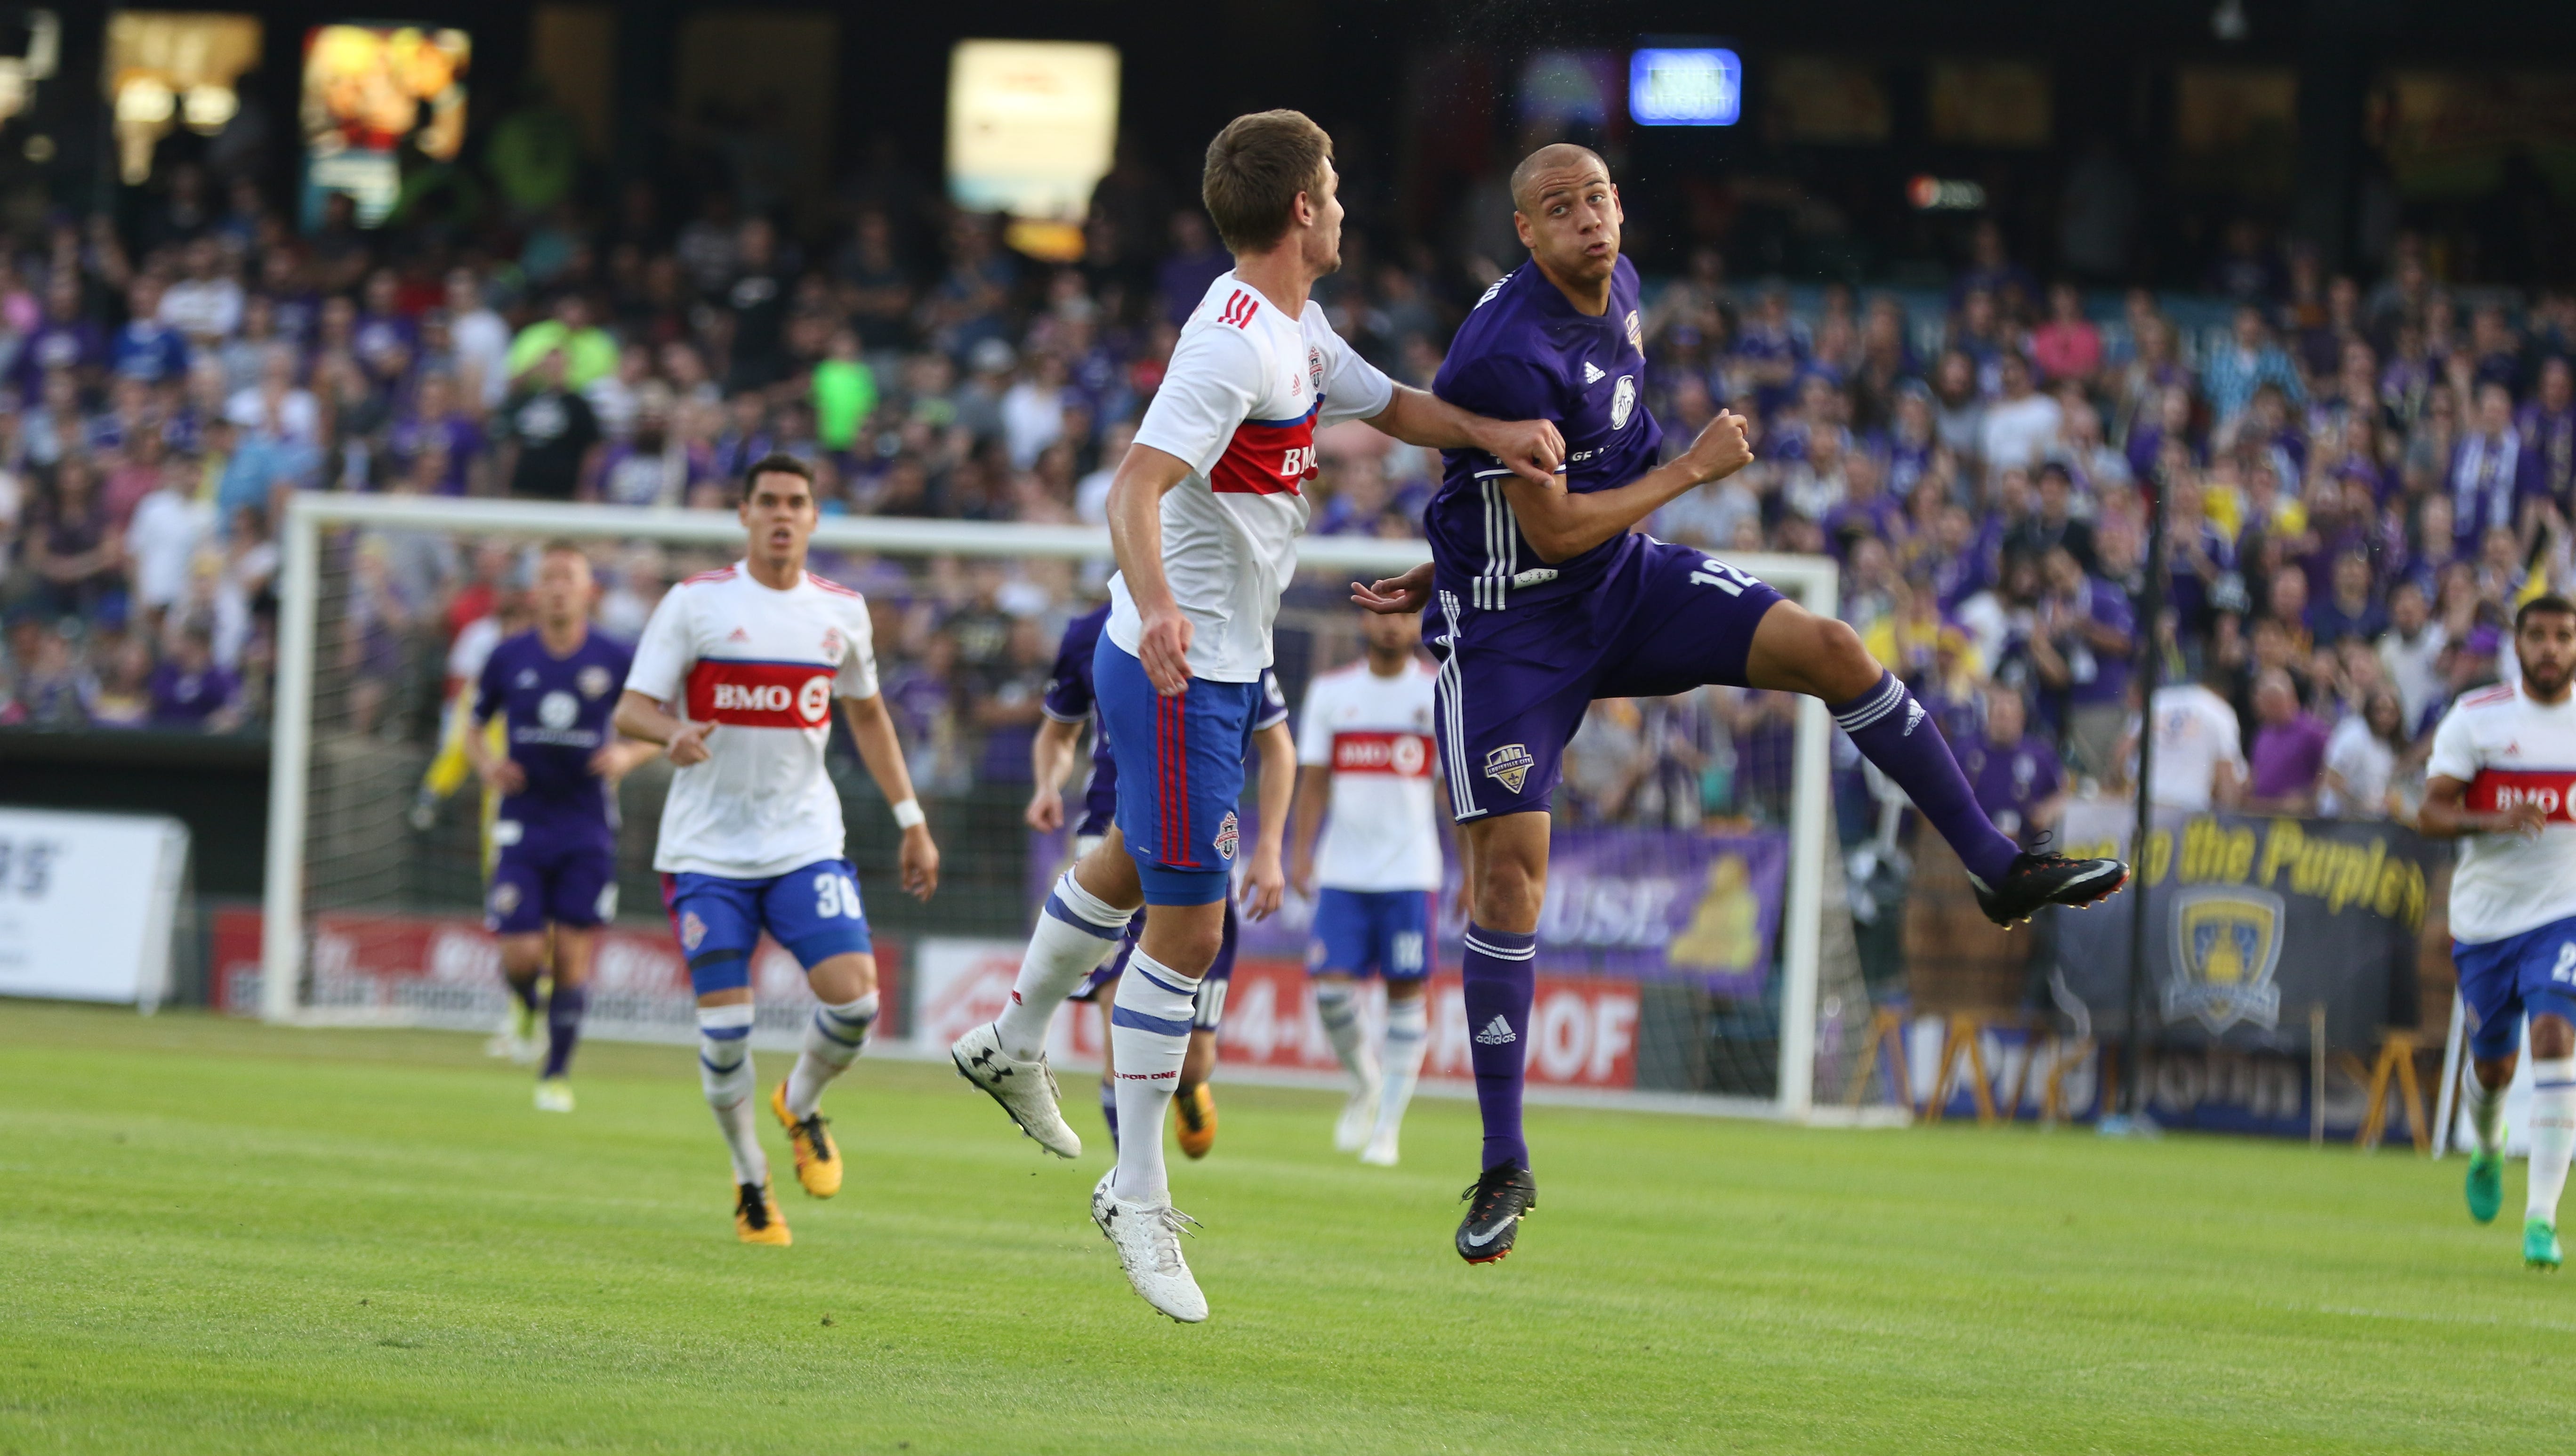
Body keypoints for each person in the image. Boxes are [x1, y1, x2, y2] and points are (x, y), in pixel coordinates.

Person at [1350, 142, 2127, 1265]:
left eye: (1600, 199)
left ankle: (1993, 864)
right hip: (1513, 634)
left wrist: (1458, 537)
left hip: (1616, 586)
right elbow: (1554, 521)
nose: (1588, 221)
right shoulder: (1505, 349)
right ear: (1524, 231)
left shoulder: (1615, 287)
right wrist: (1691, 473)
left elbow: (1535, 489)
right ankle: (1502, 1161)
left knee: (1829, 644)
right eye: (1560, 210)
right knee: (1509, 874)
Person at [946, 109, 1562, 1323]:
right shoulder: (1229, 345)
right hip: (1181, 662)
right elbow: (1133, 487)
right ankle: (1132, 1190)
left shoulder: (1295, 328)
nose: (1342, 206)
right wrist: (1166, 607)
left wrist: (1492, 432)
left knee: (1132, 865)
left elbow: (1389, 403)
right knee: (1188, 926)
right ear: (1298, 211)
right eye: (1330, 188)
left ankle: (1011, 1037)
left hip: (1203, 661)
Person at [614, 453, 941, 1245]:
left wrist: (911, 817)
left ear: (815, 518)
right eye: (768, 502)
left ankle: (799, 1101)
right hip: (706, 851)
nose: (782, 515)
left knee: (856, 1000)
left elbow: (867, 715)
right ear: (744, 514)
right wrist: (674, 730)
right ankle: (751, 1178)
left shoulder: (842, 612)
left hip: (802, 839)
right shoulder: (695, 604)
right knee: (726, 1035)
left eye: (797, 503)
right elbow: (632, 709)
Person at [1025, 600, 1293, 1158]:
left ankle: (1189, 1085)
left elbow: (1279, 747)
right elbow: (1058, 732)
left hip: (1198, 842)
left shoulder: (1232, 625)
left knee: (1192, 1059)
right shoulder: (1092, 629)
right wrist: (1048, 785)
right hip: (1109, 836)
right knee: (1117, 1022)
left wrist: (1269, 848)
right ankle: (1135, 1186)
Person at [462, 544, 655, 1110]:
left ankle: (555, 1075)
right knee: (520, 953)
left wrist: (626, 757)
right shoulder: (507, 656)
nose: (558, 587)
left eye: (568, 578)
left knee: (572, 954)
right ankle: (525, 1006)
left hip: (587, 824)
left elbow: (655, 724)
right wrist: (487, 766)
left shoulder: (616, 656)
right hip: (522, 820)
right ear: (533, 591)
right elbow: (474, 727)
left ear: (589, 590)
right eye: (548, 578)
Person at [2422, 595, 2576, 1271]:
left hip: (2562, 915)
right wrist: (2493, 822)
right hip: (2485, 922)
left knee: (2554, 1038)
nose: (2551, 648)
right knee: (2492, 1064)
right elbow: (2429, 813)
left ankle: (2541, 1220)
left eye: (2564, 637)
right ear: (2517, 646)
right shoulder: (2479, 718)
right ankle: (2487, 1149)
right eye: (2538, 636)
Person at [1288, 605, 1445, 1165]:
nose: (1393, 626)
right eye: (1383, 616)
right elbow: (1313, 781)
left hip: (1410, 871)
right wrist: (1301, 851)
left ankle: (1387, 1129)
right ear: (1363, 623)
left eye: (1404, 616)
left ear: (1417, 625)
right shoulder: (1332, 692)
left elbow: (1455, 795)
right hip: (1343, 870)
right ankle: (1365, 1081)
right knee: (1330, 989)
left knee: (1406, 992)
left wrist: (1474, 871)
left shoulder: (1437, 692)